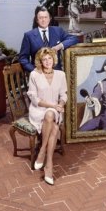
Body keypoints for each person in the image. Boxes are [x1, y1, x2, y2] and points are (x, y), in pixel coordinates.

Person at [27, 47, 67, 185]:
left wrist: (61, 104)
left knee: (50, 115)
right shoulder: (34, 75)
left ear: (53, 59)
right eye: (44, 59)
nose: (47, 61)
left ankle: (42, 152)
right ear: (40, 61)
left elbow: (63, 95)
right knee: (54, 127)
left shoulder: (61, 74)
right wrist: (52, 106)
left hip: (55, 110)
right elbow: (34, 98)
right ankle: (48, 163)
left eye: (49, 58)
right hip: (38, 110)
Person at [19, 6, 78, 72]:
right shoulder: (29, 35)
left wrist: (59, 46)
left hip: (56, 73)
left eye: (46, 17)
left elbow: (74, 38)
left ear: (50, 18)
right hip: (39, 75)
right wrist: (34, 70)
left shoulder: (58, 31)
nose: (43, 20)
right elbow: (23, 58)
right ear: (37, 20)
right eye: (41, 18)